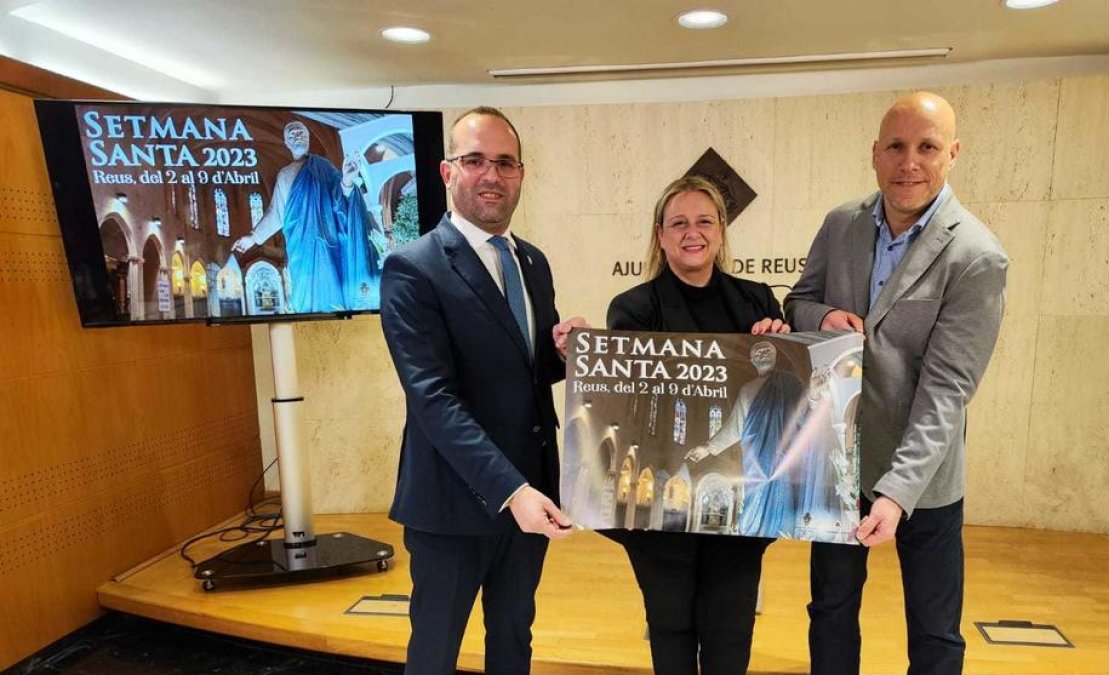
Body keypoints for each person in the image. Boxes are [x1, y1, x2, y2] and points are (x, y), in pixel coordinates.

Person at [784, 91, 1008, 675]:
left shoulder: (978, 257)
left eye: (927, 147)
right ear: (875, 155)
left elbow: (948, 391)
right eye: (897, 146)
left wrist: (897, 491)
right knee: (830, 608)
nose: (910, 162)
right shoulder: (841, 224)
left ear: (952, 154)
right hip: (838, 461)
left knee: (934, 631)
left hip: (924, 480)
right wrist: (822, 318)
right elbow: (799, 301)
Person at [379, 107, 585, 674]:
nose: (490, 175)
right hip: (452, 503)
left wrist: (565, 353)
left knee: (514, 640)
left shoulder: (533, 262)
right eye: (474, 161)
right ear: (448, 173)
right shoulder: (411, 268)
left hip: (532, 498)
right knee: (435, 653)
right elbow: (433, 399)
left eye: (504, 162)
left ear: (521, 174)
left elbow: (526, 368)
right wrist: (510, 490)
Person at [605, 175, 790, 675]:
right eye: (679, 222)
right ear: (661, 235)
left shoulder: (758, 303)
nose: (693, 232)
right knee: (670, 627)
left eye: (704, 220)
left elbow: (783, 392)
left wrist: (782, 346)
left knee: (731, 630)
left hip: (741, 497)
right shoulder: (633, 309)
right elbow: (626, 406)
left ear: (722, 230)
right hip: (663, 499)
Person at [232, 120, 381, 313]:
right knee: (304, 295)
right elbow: (276, 213)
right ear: (286, 142)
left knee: (332, 292)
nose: (297, 136)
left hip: (327, 244)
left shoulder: (324, 168)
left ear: (308, 137)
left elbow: (340, 199)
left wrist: (346, 180)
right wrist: (253, 237)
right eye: (291, 134)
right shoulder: (284, 175)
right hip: (300, 247)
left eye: (300, 132)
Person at [685, 340, 808, 538]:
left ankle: (782, 534)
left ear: (775, 355)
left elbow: (804, 414)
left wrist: (816, 394)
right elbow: (735, 427)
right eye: (757, 352)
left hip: (782, 453)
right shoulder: (747, 389)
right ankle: (752, 532)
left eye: (767, 350)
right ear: (751, 360)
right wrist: (707, 448)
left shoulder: (790, 384)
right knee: (755, 497)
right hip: (755, 455)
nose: (762, 354)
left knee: (782, 493)